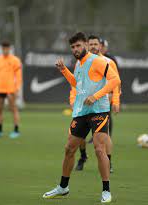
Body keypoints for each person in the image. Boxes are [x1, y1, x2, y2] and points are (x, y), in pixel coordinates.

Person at [42, 32, 121, 203]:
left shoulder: (99, 61)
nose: (75, 49)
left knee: (99, 149)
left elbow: (115, 80)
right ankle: (63, 187)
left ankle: (106, 190)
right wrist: (64, 70)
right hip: (82, 112)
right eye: (72, 47)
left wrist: (97, 96)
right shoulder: (78, 64)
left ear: (85, 44)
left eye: (78, 46)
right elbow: (77, 84)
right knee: (69, 149)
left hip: (99, 110)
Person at [74, 35, 121, 172]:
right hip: (83, 103)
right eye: (91, 44)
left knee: (104, 137)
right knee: (79, 136)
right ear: (87, 46)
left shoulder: (108, 61)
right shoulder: (80, 62)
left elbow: (116, 82)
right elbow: (76, 83)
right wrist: (73, 100)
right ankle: (83, 157)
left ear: (100, 46)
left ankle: (108, 162)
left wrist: (116, 101)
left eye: (96, 44)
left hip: (102, 104)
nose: (93, 46)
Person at [0, 41, 22, 139]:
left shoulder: (15, 60)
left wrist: (17, 88)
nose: (5, 50)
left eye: (7, 48)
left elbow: (19, 76)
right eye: (4, 48)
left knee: (13, 109)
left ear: (9, 49)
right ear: (2, 48)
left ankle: (16, 130)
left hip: (10, 89)